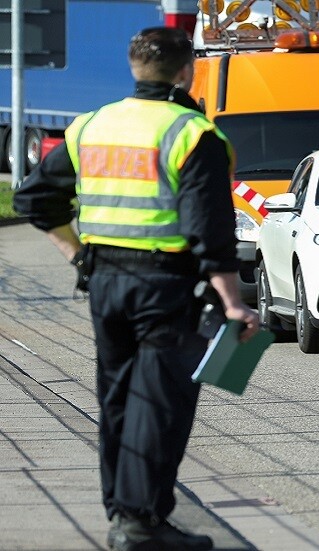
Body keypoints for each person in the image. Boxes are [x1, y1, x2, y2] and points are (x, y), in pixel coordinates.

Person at [13, 27, 260, 550]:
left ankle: (123, 514)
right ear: (187, 70)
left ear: (133, 67)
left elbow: (34, 200)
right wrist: (235, 303)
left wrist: (78, 253)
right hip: (165, 288)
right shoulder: (193, 134)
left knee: (120, 399)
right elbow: (209, 232)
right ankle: (141, 524)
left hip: (105, 285)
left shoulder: (90, 126)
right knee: (159, 404)